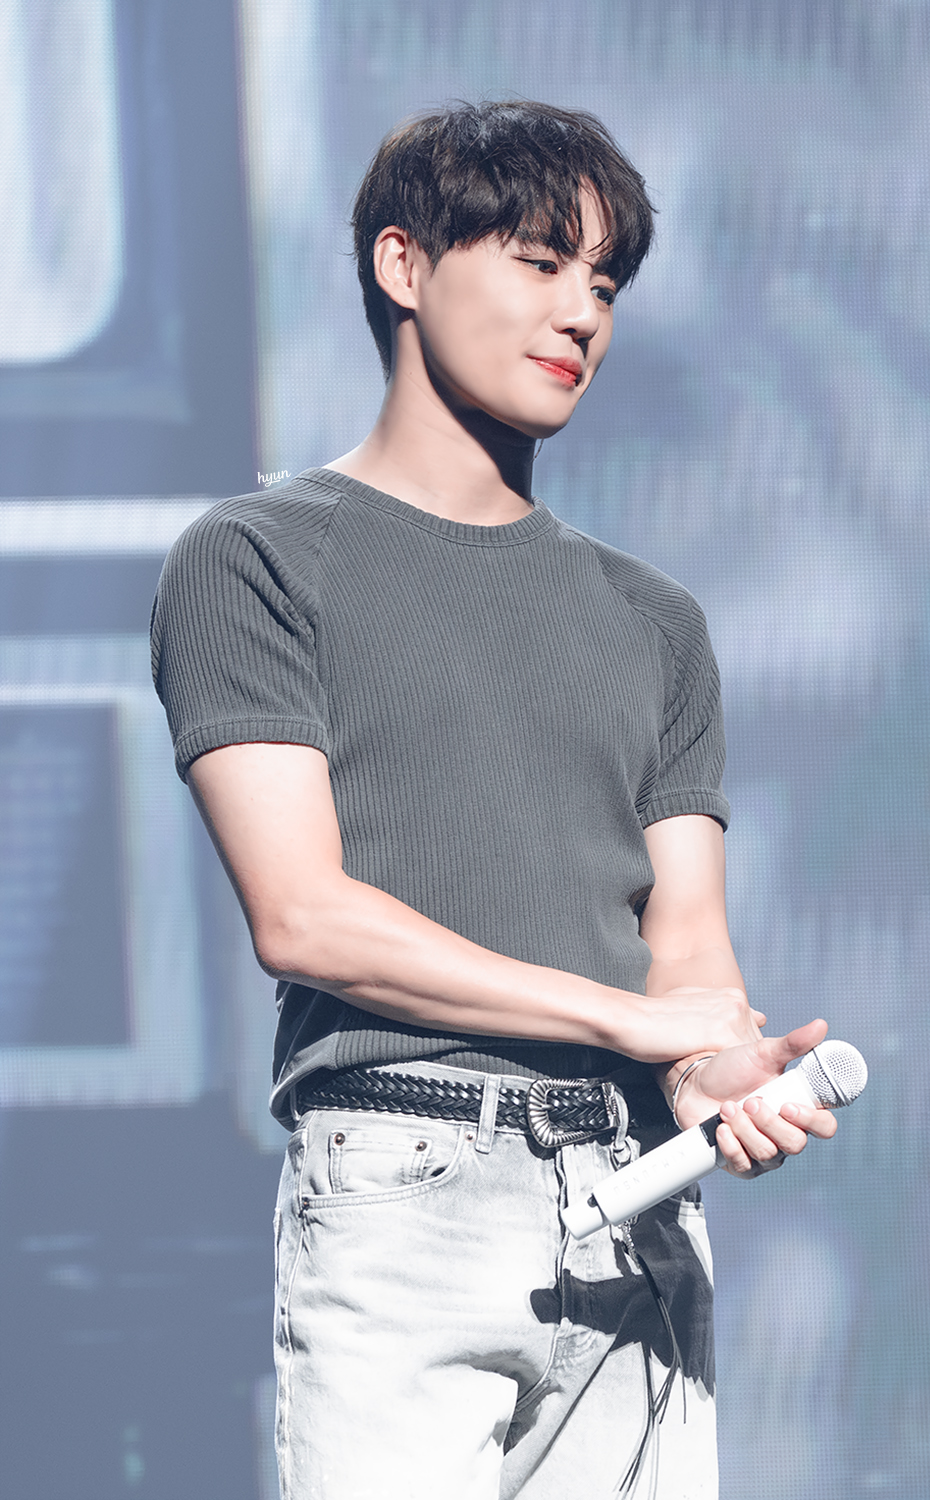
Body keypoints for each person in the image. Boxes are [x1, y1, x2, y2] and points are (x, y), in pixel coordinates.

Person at [151, 101, 837, 1500]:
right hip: (407, 1177)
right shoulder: (257, 559)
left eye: (604, 282)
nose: (582, 312)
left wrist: (712, 1074)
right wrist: (628, 1020)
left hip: (635, 1201)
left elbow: (686, 947)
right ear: (403, 265)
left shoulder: (654, 621)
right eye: (539, 261)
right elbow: (305, 917)